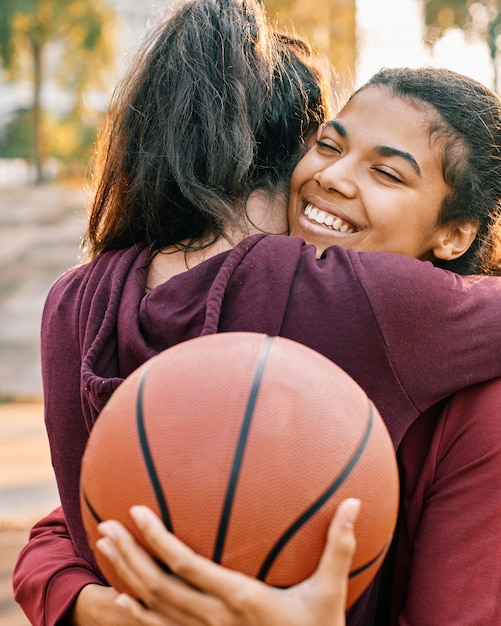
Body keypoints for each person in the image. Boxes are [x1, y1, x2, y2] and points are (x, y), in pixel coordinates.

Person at [11, 3, 501, 621]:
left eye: (386, 173)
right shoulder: (332, 294)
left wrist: (78, 599)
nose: (332, 179)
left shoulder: (72, 299)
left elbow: (70, 520)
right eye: (325, 145)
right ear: (280, 162)